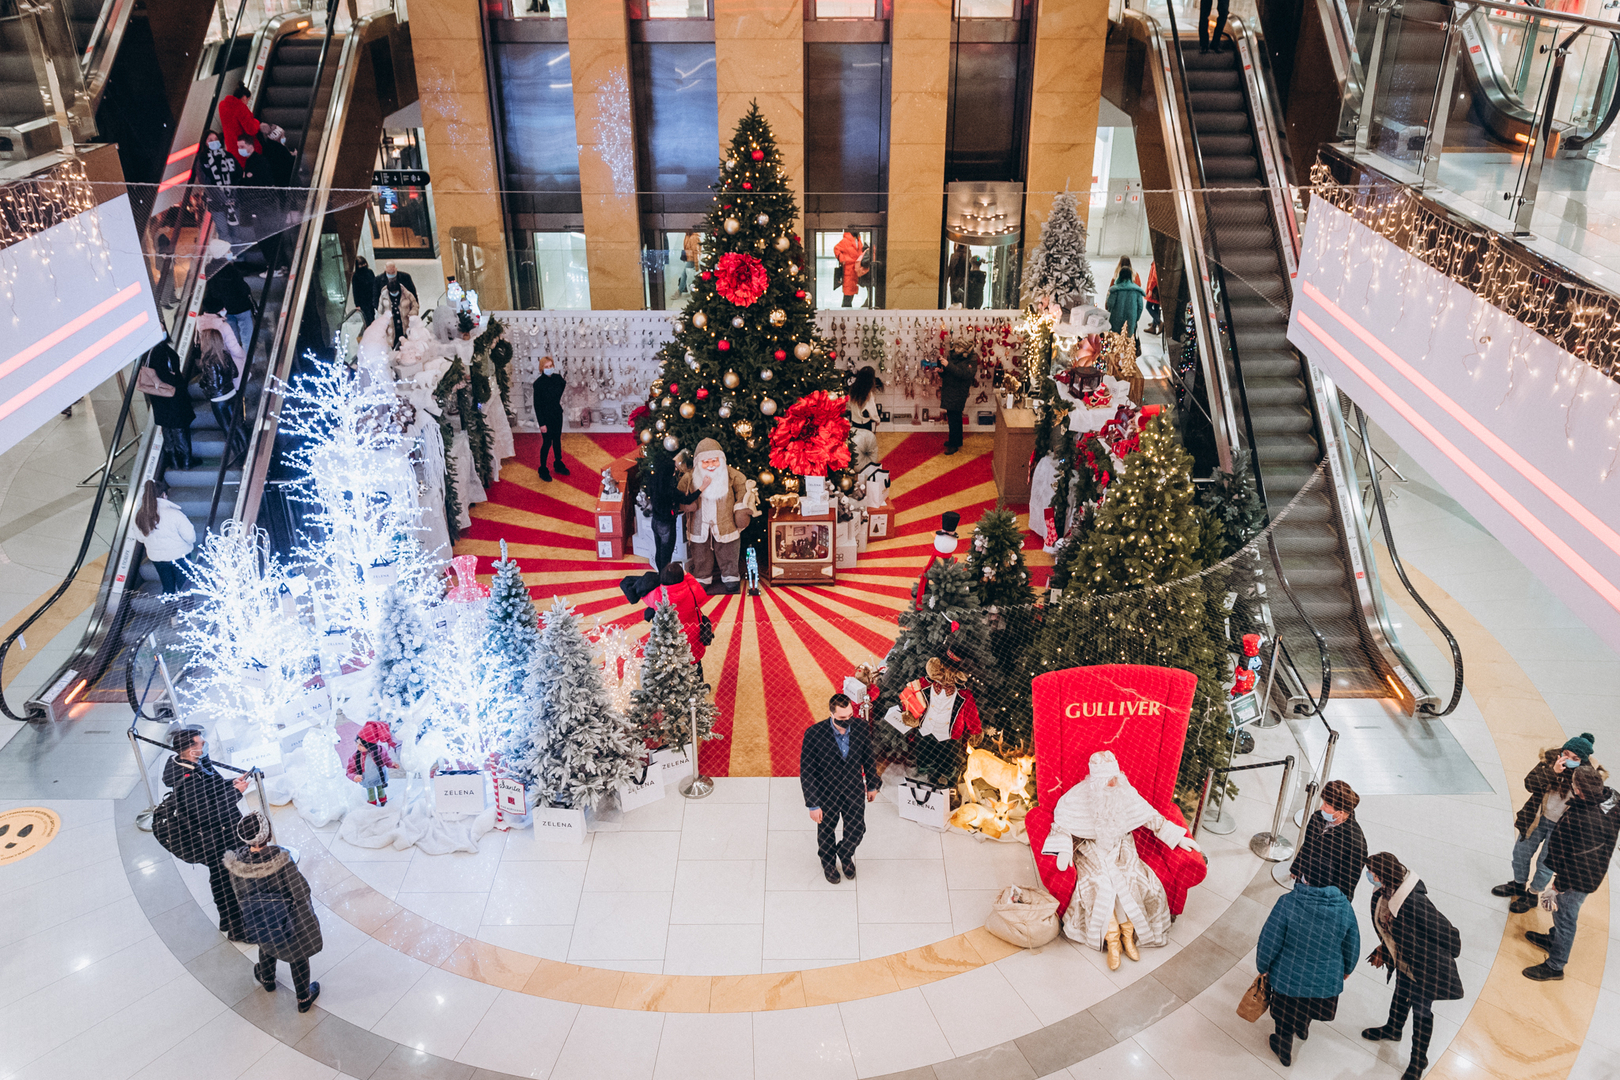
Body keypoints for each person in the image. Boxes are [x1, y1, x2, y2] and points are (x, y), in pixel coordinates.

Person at [1045, 750, 1202, 969]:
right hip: (1090, 847)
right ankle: (1112, 938)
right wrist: (1063, 849)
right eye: (1106, 779)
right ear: (1095, 780)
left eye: (1114, 777)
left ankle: (1127, 935)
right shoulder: (1077, 797)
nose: (1112, 783)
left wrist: (1177, 838)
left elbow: (1150, 816)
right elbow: (1062, 823)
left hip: (1122, 846)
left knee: (1132, 880)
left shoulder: (1124, 791)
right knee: (1098, 883)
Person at [1361, 851, 1464, 1080]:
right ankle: (1393, 1028)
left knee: (1421, 1010)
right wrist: (1385, 949)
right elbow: (1391, 926)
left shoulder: (1414, 901)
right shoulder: (1386, 891)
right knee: (1400, 994)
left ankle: (1418, 1059)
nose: (1368, 875)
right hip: (1405, 960)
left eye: (1371, 872)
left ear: (1383, 875)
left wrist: (1445, 952)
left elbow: (1446, 932)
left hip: (1426, 968)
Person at [1255, 859, 1359, 1067]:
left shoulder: (1288, 903)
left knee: (1284, 1013)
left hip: (1289, 976)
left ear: (1305, 878)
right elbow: (1352, 941)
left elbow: (1270, 939)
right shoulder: (1344, 906)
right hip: (1325, 979)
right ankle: (1302, 1027)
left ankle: (1283, 1046)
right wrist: (1348, 968)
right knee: (1310, 1003)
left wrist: (1263, 966)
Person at [1524, 763, 1620, 982]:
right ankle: (1554, 938)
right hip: (1590, 873)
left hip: (1577, 879)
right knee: (1562, 916)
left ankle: (1555, 966)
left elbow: (1580, 859)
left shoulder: (1585, 819)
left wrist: (1559, 886)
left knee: (1566, 917)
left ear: (1578, 789)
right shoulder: (1611, 799)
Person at [225, 812, 323, 1012]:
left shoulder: (237, 863)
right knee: (298, 956)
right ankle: (304, 999)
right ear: (268, 834)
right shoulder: (282, 861)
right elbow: (301, 891)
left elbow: (238, 893)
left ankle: (267, 979)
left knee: (266, 945)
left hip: (258, 918)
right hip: (289, 921)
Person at [1493, 734, 1600, 914]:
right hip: (1537, 818)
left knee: (1545, 864)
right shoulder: (1549, 760)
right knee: (1520, 853)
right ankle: (1518, 884)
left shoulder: (1589, 777)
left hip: (1562, 828)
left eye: (1575, 758)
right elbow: (1529, 783)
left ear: (1582, 760)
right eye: (1566, 754)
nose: (1569, 760)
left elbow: (1589, 805)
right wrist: (1553, 772)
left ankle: (1532, 894)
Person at [163, 726, 252, 940]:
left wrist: (231, 784)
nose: (203, 744)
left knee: (221, 878)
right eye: (199, 743)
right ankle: (237, 929)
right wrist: (235, 793)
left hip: (220, 835)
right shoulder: (188, 780)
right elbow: (207, 814)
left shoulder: (197, 765)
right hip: (216, 839)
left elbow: (213, 788)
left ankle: (226, 920)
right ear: (187, 749)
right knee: (227, 882)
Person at [800, 693, 881, 884]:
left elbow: (868, 758)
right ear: (831, 714)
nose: (847, 721)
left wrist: (872, 785)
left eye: (850, 716)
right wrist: (813, 804)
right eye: (842, 718)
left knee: (857, 829)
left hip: (853, 789)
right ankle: (828, 862)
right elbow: (807, 771)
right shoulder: (813, 734)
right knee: (826, 831)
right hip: (826, 793)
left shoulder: (860, 727)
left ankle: (844, 853)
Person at [678, 439, 756, 594]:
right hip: (699, 523)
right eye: (706, 462)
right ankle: (702, 577)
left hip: (725, 522)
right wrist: (685, 505)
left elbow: (742, 486)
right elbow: (678, 494)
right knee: (700, 552)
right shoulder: (690, 477)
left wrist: (741, 509)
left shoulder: (731, 475)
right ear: (699, 462)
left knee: (728, 549)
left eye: (714, 461)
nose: (711, 465)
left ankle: (730, 576)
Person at [1289, 778, 1367, 904]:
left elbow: (1347, 885)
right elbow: (1308, 845)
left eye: (1326, 805)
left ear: (1340, 812)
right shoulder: (1318, 818)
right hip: (1303, 883)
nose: (1321, 807)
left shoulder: (1355, 844)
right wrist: (1297, 867)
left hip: (1321, 898)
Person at [642, 561, 709, 675]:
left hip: (669, 640)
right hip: (692, 637)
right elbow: (701, 594)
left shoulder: (658, 595)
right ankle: (699, 688)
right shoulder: (691, 591)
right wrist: (687, 576)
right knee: (695, 664)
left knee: (672, 667)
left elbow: (645, 597)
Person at [131, 479, 196, 594]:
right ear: (164, 495)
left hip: (157, 558)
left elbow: (140, 538)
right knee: (185, 587)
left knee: (167, 586)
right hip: (180, 557)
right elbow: (191, 537)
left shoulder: (140, 516)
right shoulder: (175, 514)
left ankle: (170, 609)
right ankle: (187, 609)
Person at [197, 325, 249, 467]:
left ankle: (238, 454)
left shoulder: (208, 361)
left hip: (218, 400)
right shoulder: (224, 355)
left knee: (227, 428)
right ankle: (248, 451)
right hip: (231, 394)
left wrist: (205, 388)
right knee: (237, 425)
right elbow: (235, 373)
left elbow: (214, 385)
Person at [145, 341, 198, 474]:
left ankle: (174, 461)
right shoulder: (160, 351)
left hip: (158, 397)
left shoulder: (149, 351)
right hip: (170, 395)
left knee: (167, 427)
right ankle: (186, 461)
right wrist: (179, 384)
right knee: (178, 427)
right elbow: (166, 375)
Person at [646, 451, 701, 573]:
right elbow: (688, 500)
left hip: (655, 522)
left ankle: (661, 575)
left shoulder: (654, 483)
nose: (675, 471)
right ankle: (665, 579)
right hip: (667, 525)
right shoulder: (670, 490)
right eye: (674, 470)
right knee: (666, 555)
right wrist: (701, 488)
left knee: (659, 551)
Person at [201, 257, 256, 358]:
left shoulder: (209, 270)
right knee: (247, 335)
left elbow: (212, 290)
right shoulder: (231, 269)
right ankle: (249, 360)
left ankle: (236, 359)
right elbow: (244, 289)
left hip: (225, 309)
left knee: (232, 336)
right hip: (242, 306)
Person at [532, 355, 568, 481]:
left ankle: (558, 463)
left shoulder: (558, 378)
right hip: (546, 418)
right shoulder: (538, 384)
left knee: (557, 440)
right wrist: (542, 423)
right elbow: (537, 405)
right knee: (547, 442)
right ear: (542, 368)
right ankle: (543, 468)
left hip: (557, 414)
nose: (549, 368)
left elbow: (563, 385)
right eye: (546, 367)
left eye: (550, 366)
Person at [346, 721, 399, 806]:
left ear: (370, 745)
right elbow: (350, 770)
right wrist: (354, 776)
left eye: (361, 745)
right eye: (357, 743)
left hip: (379, 777)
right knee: (370, 793)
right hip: (367, 779)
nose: (358, 746)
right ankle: (372, 804)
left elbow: (386, 760)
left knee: (381, 789)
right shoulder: (355, 756)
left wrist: (391, 764)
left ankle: (383, 801)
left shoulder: (380, 750)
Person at [939, 342, 976, 456]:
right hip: (951, 390)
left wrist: (948, 365)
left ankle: (953, 445)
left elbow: (964, 374)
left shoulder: (971, 358)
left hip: (959, 391)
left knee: (954, 418)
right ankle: (955, 441)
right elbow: (951, 373)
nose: (956, 349)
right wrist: (942, 372)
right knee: (954, 417)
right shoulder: (954, 356)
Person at [198, 131, 241, 226]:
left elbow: (238, 174)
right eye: (210, 140)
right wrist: (221, 198)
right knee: (223, 230)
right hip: (217, 203)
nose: (214, 142)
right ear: (205, 142)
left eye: (216, 139)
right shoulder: (203, 159)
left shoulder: (228, 156)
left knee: (237, 230)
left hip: (234, 201)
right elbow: (205, 181)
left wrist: (233, 195)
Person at [218, 85, 260, 166]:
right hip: (244, 146)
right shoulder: (241, 108)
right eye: (248, 100)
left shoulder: (222, 105)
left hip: (231, 146)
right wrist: (256, 122)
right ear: (244, 97)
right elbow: (251, 130)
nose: (247, 103)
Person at [1106, 265, 1146, 337]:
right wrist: (1135, 318)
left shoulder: (1115, 290)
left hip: (1115, 319)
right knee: (1127, 341)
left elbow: (1110, 304)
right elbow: (1140, 307)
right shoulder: (1136, 291)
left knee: (1115, 339)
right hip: (1131, 319)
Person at [834, 228, 866, 307]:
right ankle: (846, 310)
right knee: (848, 292)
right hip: (848, 269)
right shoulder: (846, 240)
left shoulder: (858, 240)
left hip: (856, 269)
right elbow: (836, 249)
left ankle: (847, 309)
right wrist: (842, 259)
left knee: (852, 291)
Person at [847, 366, 882, 433]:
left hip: (854, 421)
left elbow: (849, 405)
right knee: (866, 441)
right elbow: (872, 409)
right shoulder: (868, 394)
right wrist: (877, 420)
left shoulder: (853, 390)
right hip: (865, 423)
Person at [352, 256, 376, 327]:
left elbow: (374, 285)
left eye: (363, 264)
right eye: (360, 264)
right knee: (367, 317)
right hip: (363, 300)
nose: (363, 266)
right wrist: (357, 304)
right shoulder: (356, 276)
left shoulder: (370, 272)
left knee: (372, 315)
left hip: (371, 298)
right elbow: (355, 291)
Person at [1144, 262, 1161, 334]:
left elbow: (1154, 278)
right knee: (1156, 307)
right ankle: (1153, 326)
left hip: (1154, 290)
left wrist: (1150, 289)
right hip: (1159, 290)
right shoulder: (1161, 262)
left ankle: (1159, 322)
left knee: (1148, 306)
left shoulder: (1155, 264)